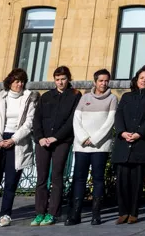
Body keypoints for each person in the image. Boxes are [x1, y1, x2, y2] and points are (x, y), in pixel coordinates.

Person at [0, 68, 38, 229]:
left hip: (17, 141)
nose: (20, 84)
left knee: (11, 182)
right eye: (17, 81)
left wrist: (13, 139)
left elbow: (29, 123)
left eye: (22, 81)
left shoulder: (30, 99)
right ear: (10, 82)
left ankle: (6, 214)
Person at [31, 66, 82, 226]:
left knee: (57, 176)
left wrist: (56, 137)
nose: (60, 82)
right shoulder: (46, 96)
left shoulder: (75, 95)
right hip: (42, 141)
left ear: (68, 79)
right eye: (57, 79)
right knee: (41, 177)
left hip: (61, 141)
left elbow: (72, 120)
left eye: (63, 79)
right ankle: (40, 212)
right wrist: (39, 138)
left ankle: (53, 212)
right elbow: (37, 119)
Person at [111, 65, 145, 224]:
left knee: (136, 181)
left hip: (141, 144)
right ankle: (122, 212)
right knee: (122, 181)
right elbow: (118, 116)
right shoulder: (126, 97)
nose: (144, 80)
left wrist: (139, 133)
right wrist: (122, 132)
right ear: (136, 79)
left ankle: (133, 212)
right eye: (141, 78)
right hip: (123, 143)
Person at [69, 68, 118, 226]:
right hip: (82, 146)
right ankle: (75, 214)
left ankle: (96, 214)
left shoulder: (112, 99)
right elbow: (76, 119)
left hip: (100, 146)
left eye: (106, 81)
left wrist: (95, 139)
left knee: (98, 179)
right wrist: (84, 138)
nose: (103, 83)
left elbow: (110, 122)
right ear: (95, 82)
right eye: (101, 80)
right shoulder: (85, 98)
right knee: (79, 179)